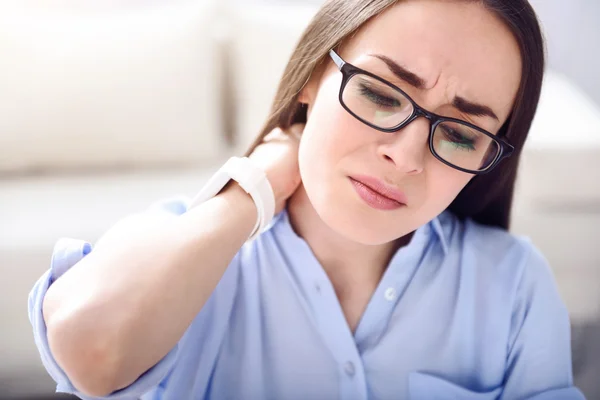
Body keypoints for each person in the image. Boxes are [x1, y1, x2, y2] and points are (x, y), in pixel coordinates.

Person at [29, 0, 585, 399]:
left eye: (461, 135)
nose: (408, 157)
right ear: (314, 77)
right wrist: (251, 188)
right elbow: (91, 353)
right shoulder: (182, 251)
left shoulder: (513, 283)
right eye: (379, 93)